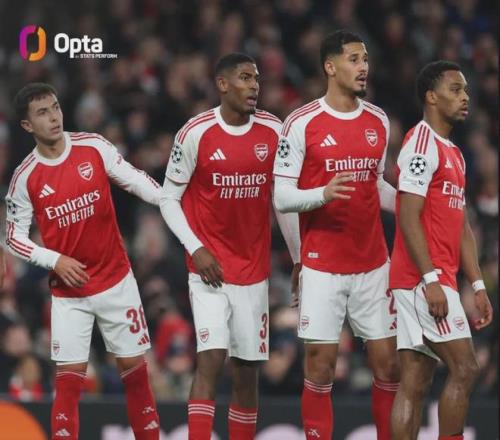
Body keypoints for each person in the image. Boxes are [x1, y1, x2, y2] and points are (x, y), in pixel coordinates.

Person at [5, 83, 162, 440]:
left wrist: (170, 199)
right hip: (69, 294)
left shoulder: (93, 146)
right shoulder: (25, 178)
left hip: (116, 280)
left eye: (55, 107)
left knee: (135, 371)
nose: (53, 117)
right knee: (69, 383)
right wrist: (55, 260)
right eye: (42, 112)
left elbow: (135, 180)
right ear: (27, 125)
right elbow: (14, 238)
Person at [160, 53, 300, 440]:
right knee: (210, 359)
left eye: (256, 78)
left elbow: (282, 200)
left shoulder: (274, 131)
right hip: (208, 270)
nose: (255, 85)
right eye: (245, 78)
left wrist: (298, 257)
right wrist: (196, 248)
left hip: (253, 272)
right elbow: (168, 199)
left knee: (246, 372)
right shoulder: (195, 133)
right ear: (223, 84)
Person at [273, 30, 399, 440]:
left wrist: (413, 206)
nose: (363, 67)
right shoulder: (301, 123)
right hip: (323, 265)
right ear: (330, 66)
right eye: (353, 59)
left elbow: (375, 185)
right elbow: (281, 196)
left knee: (389, 366)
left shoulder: (378, 120)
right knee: (320, 366)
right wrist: (321, 195)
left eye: (366, 59)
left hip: (373, 263)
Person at [389, 61, 493, 440]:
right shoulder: (421, 144)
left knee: (416, 380)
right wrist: (430, 279)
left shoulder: (454, 153)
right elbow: (408, 216)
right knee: (465, 367)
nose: (465, 97)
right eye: (455, 89)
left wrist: (478, 285)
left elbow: (461, 225)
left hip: (437, 277)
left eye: (465, 90)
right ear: (431, 97)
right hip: (422, 279)